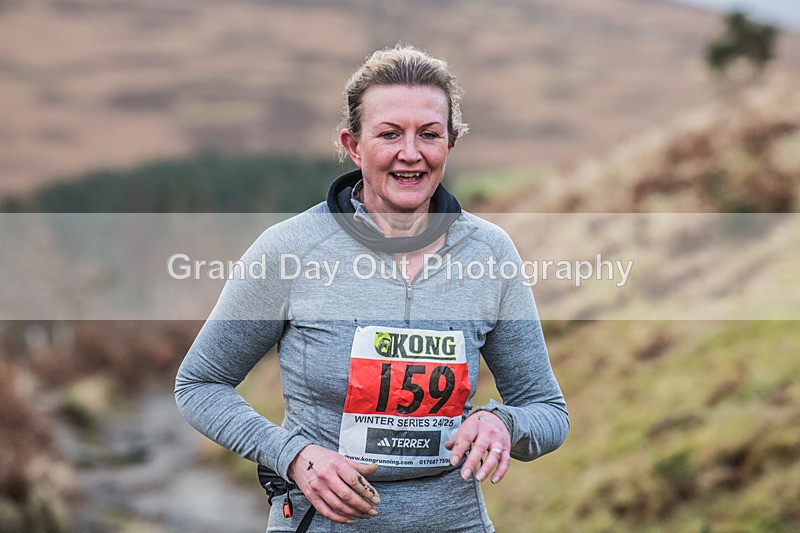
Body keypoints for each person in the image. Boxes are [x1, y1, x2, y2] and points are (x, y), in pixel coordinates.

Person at [175, 44, 569, 532]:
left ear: (451, 142)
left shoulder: (489, 253)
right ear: (353, 145)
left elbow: (548, 412)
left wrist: (504, 423)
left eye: (429, 134)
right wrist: (293, 455)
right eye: (389, 134)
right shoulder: (290, 250)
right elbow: (200, 384)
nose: (411, 153)